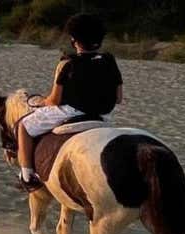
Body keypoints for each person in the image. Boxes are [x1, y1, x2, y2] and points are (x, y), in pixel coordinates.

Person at [16, 14, 123, 192]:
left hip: (71, 112)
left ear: (74, 41)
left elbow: (55, 100)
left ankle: (27, 175)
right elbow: (118, 98)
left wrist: (42, 101)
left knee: (24, 127)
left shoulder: (68, 64)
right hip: (103, 115)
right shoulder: (110, 61)